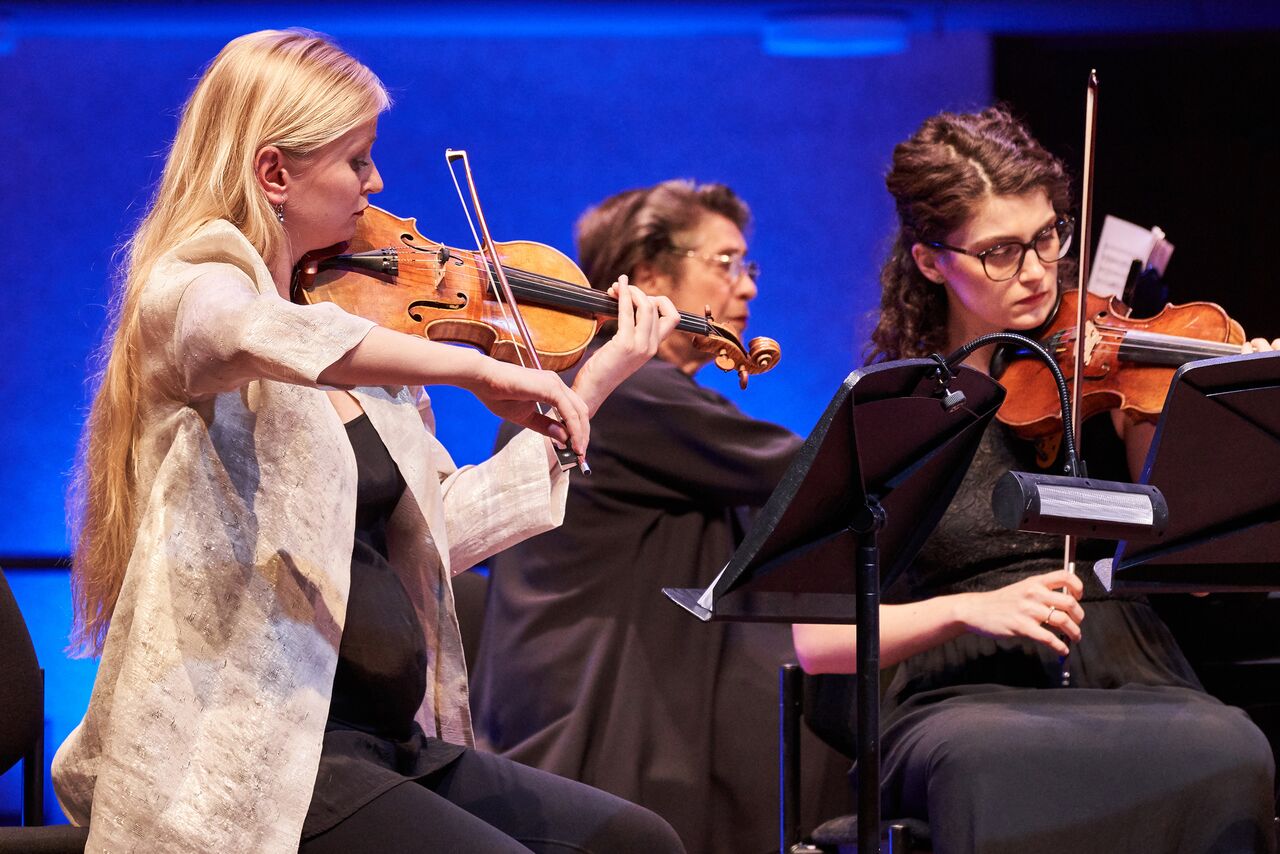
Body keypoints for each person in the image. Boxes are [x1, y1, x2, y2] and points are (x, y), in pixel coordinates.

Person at [51, 29, 688, 854]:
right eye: (358, 160)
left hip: (387, 745)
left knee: (636, 841)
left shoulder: (363, 339)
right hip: (261, 755)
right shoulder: (189, 294)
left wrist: (590, 384)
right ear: (275, 172)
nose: (378, 184)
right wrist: (477, 370)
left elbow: (441, 534)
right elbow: (250, 327)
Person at [791, 107, 1277, 854]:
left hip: (1130, 665)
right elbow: (819, 641)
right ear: (929, 261)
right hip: (955, 690)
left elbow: (1193, 562)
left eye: (1049, 236)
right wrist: (971, 609)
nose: (1037, 272)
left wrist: (1231, 407)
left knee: (1234, 749)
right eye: (1000, 251)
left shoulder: (1107, 374)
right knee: (990, 764)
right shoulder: (891, 411)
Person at [471, 180, 852, 854]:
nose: (748, 288)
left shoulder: (630, 391)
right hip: (592, 732)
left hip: (611, 716)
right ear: (649, 278)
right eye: (725, 263)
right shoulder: (624, 388)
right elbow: (809, 470)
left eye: (748, 265)